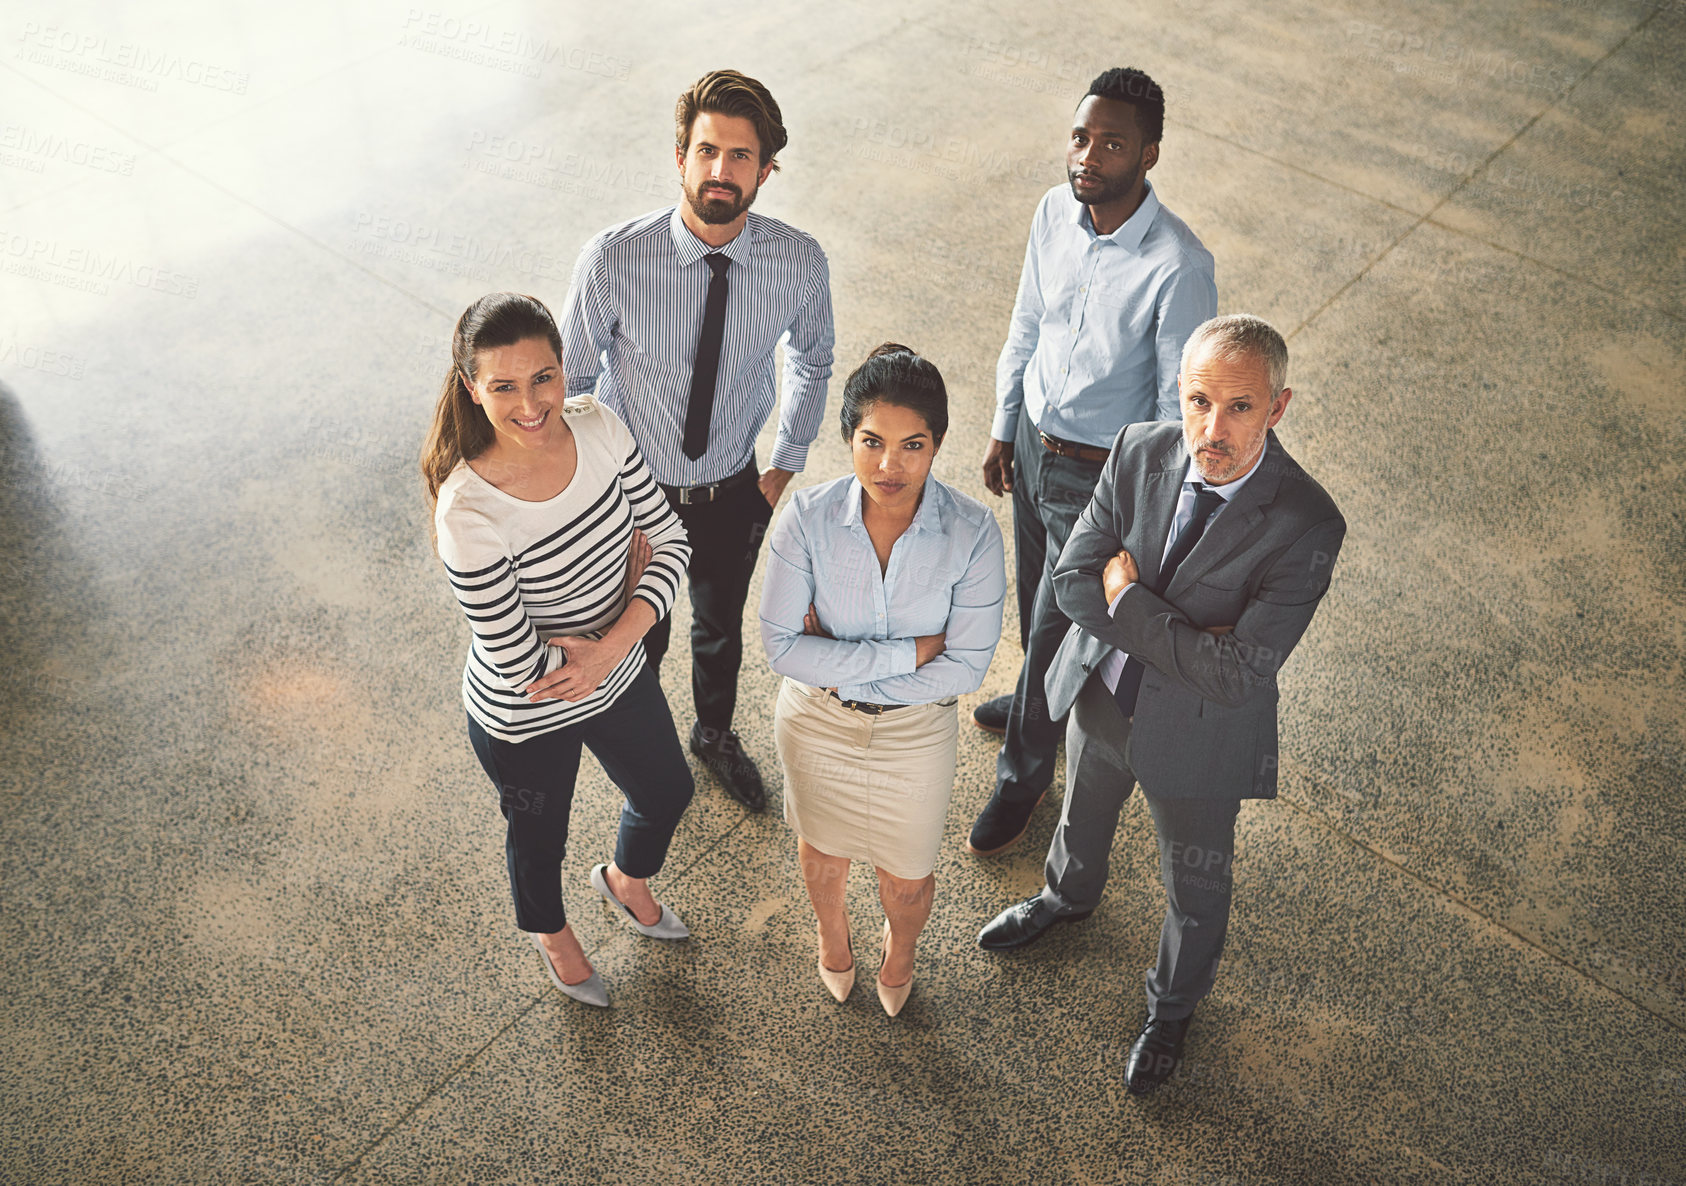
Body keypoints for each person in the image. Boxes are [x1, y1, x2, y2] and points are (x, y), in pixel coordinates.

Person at [977, 315, 1346, 1093]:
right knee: (1082, 812)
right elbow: (1074, 582)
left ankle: (1172, 1008)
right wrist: (1185, 635)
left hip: (1202, 741)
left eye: (1240, 407)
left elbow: (1238, 677)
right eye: (1198, 400)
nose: (1211, 430)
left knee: (1196, 884)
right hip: (1102, 699)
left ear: (1277, 409)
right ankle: (1063, 898)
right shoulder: (1140, 447)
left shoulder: (1307, 523)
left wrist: (1134, 602)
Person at [560, 68, 835, 813]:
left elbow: (813, 358)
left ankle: (714, 736)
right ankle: (648, 765)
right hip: (631, 497)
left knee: (719, 629)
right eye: (707, 150)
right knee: (634, 636)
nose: (721, 170)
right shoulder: (613, 261)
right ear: (679, 155)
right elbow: (571, 387)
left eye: (741, 156)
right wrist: (590, 493)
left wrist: (782, 466)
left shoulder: (799, 263)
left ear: (766, 171)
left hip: (730, 489)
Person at [968, 67, 1217, 859]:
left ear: (1149, 155)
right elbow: (1027, 323)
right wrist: (1006, 426)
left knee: (1056, 620)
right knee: (1033, 598)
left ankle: (1026, 773)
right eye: (1081, 136)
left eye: (1112, 142)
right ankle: (1032, 697)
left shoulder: (1178, 265)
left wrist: (1131, 512)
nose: (1088, 155)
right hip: (1037, 445)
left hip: (1100, 478)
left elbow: (1181, 412)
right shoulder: (1054, 212)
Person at [424, 292, 697, 1009]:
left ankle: (624, 880)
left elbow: (671, 541)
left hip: (613, 666)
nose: (531, 404)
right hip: (524, 710)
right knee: (539, 837)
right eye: (504, 387)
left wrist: (610, 647)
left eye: (543, 377)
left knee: (668, 790)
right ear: (472, 389)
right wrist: (626, 624)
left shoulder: (600, 425)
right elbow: (516, 657)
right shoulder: (468, 511)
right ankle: (551, 933)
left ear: (564, 368)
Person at [760, 344, 1005, 1016]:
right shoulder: (806, 518)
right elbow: (782, 649)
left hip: (915, 734)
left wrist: (841, 662)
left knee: (905, 877)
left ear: (939, 443)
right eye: (870, 442)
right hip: (816, 722)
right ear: (847, 437)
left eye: (912, 445)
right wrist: (907, 655)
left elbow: (966, 666)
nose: (889, 465)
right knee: (824, 857)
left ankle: (901, 953)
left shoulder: (975, 533)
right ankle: (831, 936)